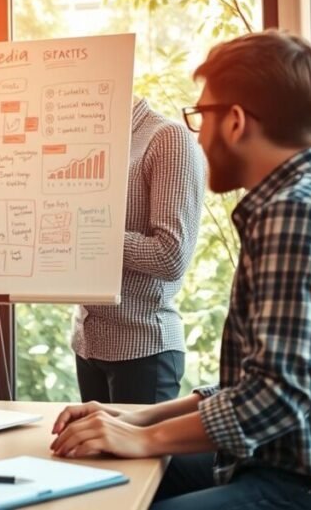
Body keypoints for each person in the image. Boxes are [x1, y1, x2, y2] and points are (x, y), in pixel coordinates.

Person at [50, 30, 311, 509]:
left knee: (125, 489)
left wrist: (141, 441)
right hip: (288, 458)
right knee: (108, 470)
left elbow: (276, 399)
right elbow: (251, 385)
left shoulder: (294, 215)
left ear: (236, 122)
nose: (197, 135)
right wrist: (130, 420)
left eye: (201, 116)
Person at [72, 97, 205, 404]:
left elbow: (171, 255)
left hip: (144, 348)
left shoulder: (168, 138)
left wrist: (93, 236)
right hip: (86, 342)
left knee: (138, 454)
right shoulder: (80, 139)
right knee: (91, 452)